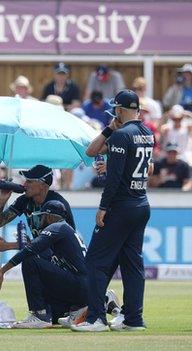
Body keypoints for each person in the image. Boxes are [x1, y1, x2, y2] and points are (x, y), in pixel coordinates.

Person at [74, 89, 154, 332]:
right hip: (141, 204)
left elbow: (115, 178)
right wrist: (110, 128)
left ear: (119, 110)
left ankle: (96, 318)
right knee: (132, 264)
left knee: (95, 261)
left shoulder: (122, 136)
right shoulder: (147, 134)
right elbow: (92, 151)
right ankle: (133, 319)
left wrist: (103, 207)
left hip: (121, 206)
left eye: (116, 110)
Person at [0, 200, 88, 329]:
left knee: (30, 261)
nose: (40, 219)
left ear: (49, 216)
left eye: (42, 216)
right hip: (83, 288)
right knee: (55, 316)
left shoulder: (56, 227)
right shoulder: (65, 230)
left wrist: (3, 270)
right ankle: (89, 306)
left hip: (78, 286)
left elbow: (30, 249)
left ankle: (39, 314)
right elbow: (40, 251)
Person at [0, 165, 76, 243]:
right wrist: (2, 201)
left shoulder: (56, 204)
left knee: (29, 260)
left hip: (63, 256)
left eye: (29, 181)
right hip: (44, 253)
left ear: (43, 185)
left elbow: (49, 243)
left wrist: (11, 246)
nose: (24, 184)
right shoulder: (25, 200)